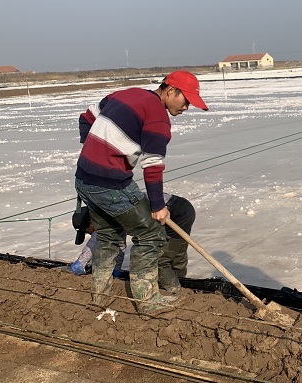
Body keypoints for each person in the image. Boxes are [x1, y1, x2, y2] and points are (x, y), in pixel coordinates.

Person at [74, 70, 208, 314]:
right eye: (186, 100)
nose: (187, 107)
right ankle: (147, 302)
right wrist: (157, 206)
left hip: (84, 178)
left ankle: (99, 296)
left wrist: (91, 148)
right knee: (151, 236)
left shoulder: (126, 94)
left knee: (108, 236)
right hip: (111, 184)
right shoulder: (158, 118)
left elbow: (87, 116)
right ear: (171, 91)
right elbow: (153, 166)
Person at [66, 193, 195, 294]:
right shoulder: (115, 215)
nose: (90, 234)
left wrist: (80, 263)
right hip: (183, 208)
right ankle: (182, 285)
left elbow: (98, 236)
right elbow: (120, 244)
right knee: (177, 255)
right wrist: (117, 270)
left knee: (159, 259)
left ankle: (176, 291)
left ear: (91, 222)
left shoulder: (107, 214)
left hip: (171, 213)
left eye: (87, 231)